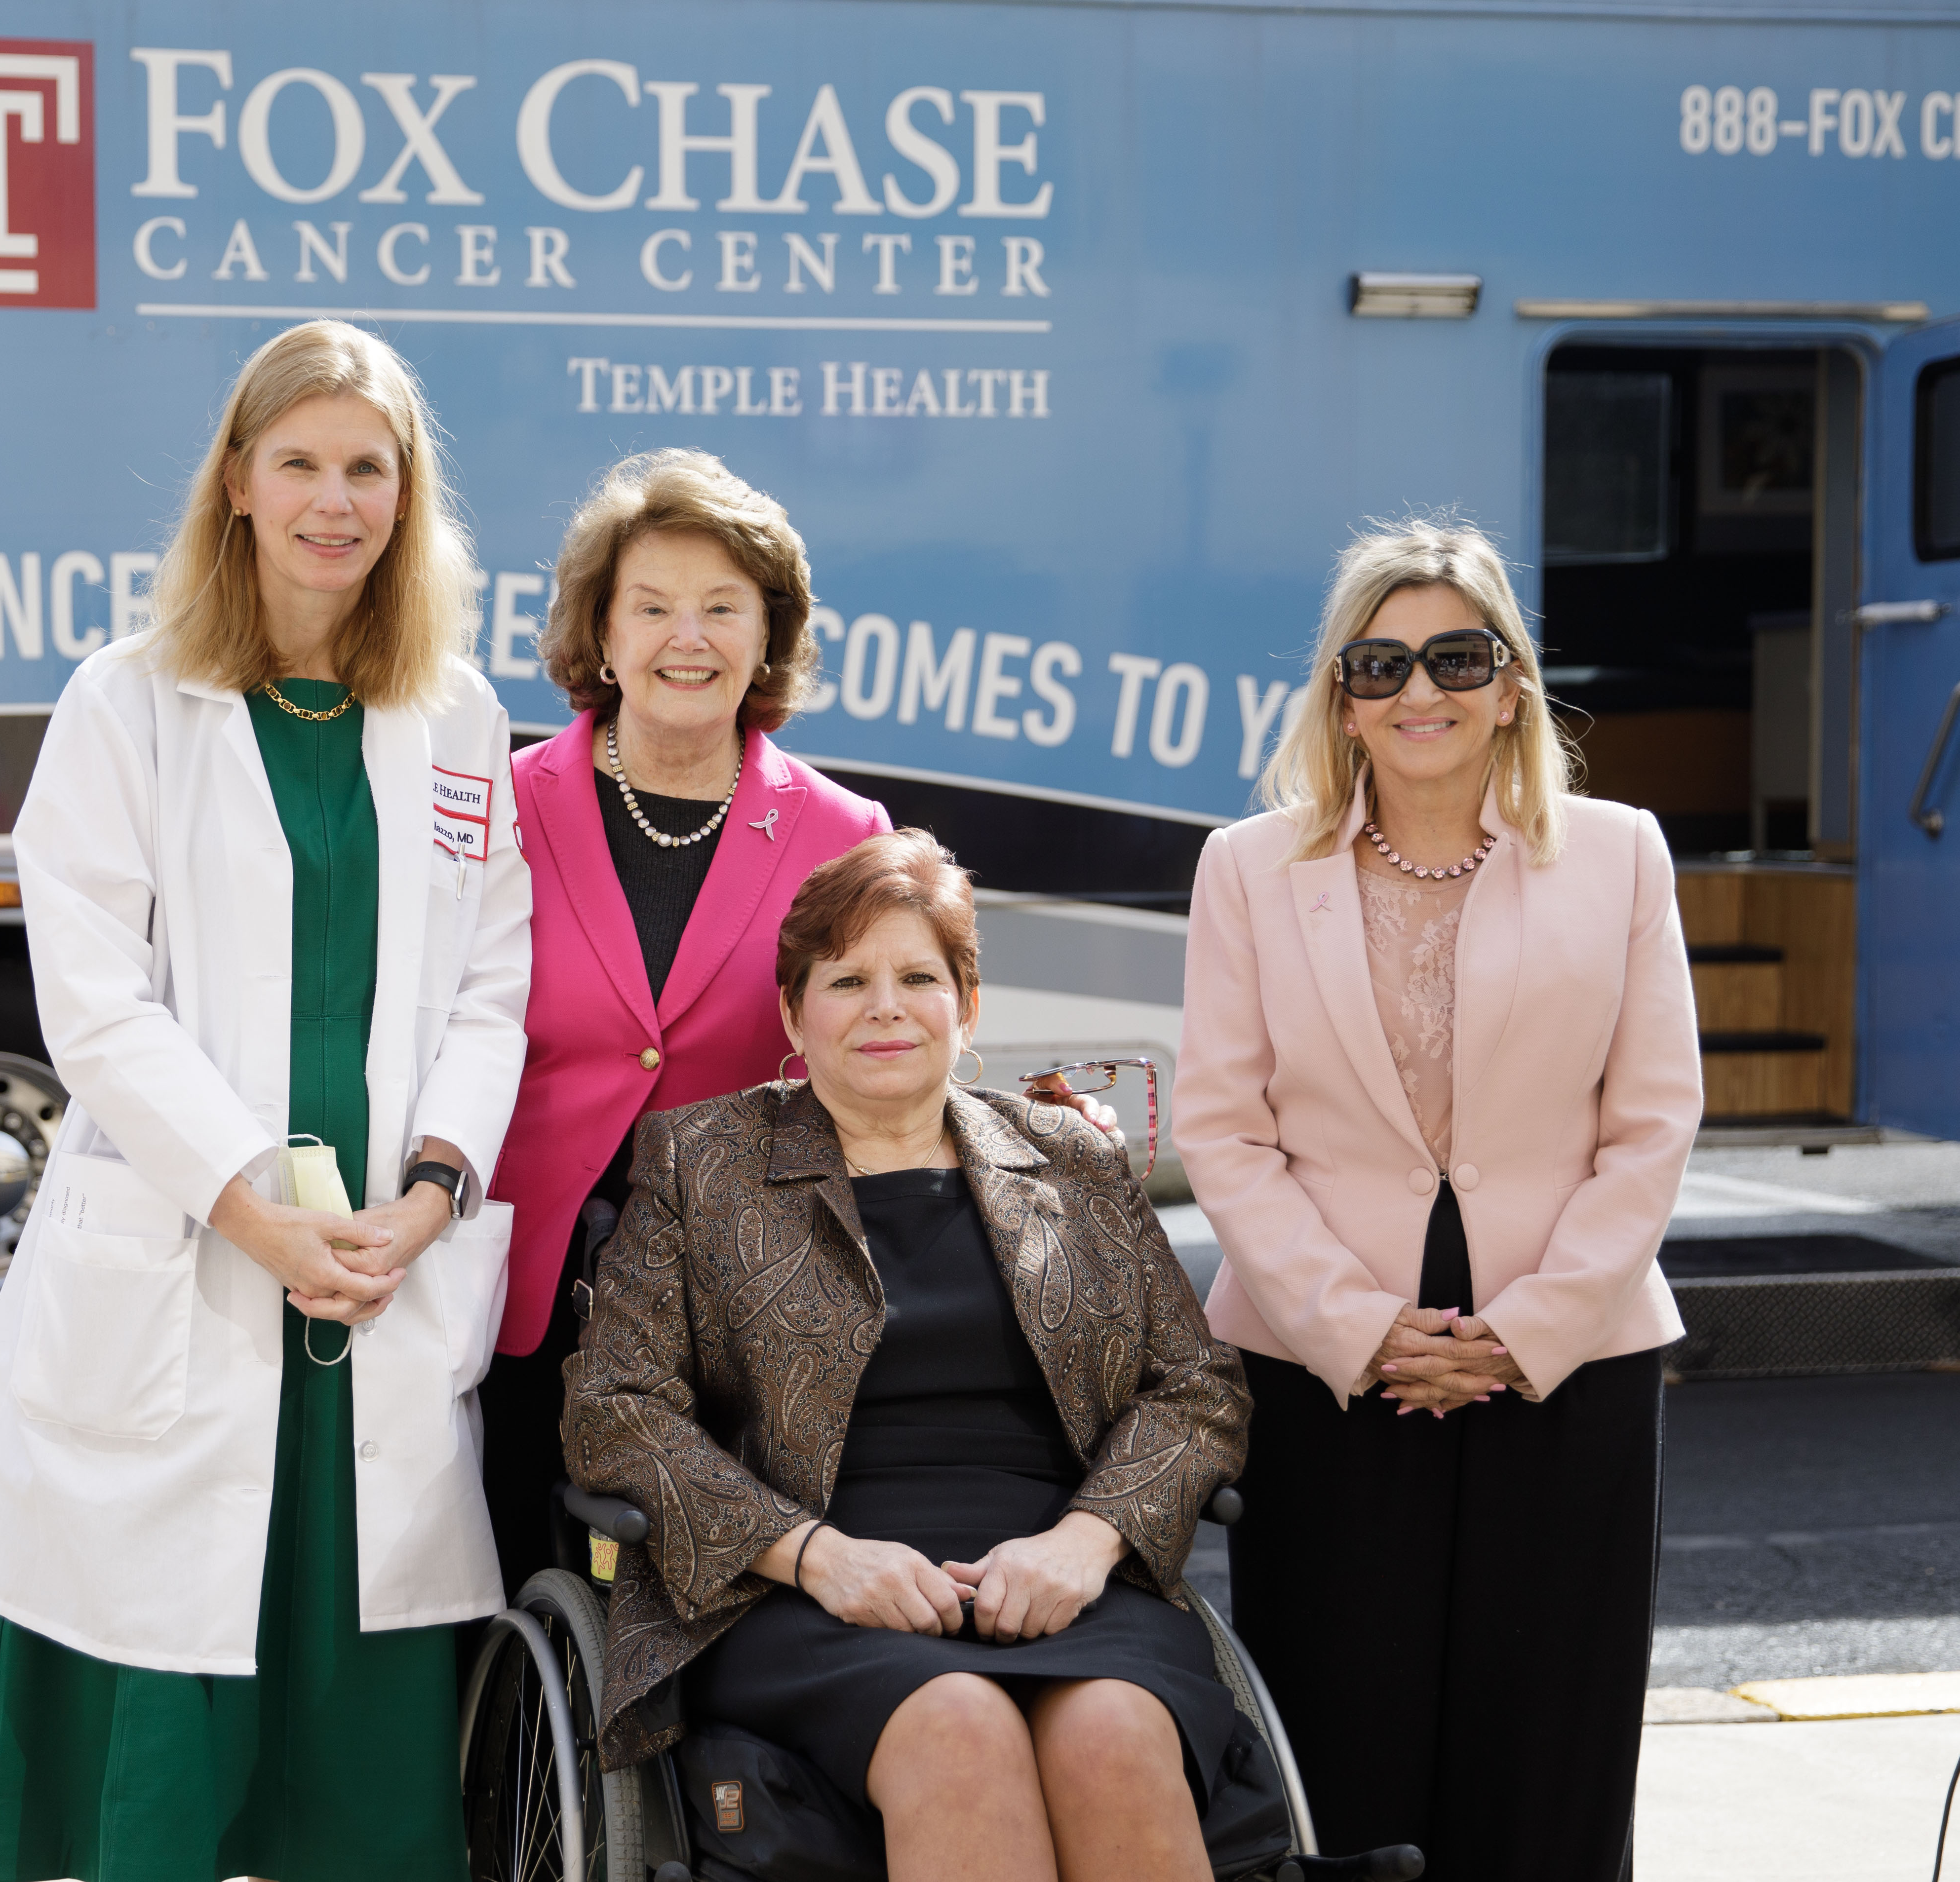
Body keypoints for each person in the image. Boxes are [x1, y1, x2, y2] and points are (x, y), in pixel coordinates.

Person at [0, 321, 532, 1882]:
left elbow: (491, 987)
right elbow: (94, 1000)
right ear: (239, 483)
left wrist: (430, 1194)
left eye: (369, 469)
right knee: (169, 1645)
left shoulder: (458, 714)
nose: (336, 501)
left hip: (376, 1263)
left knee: (360, 1691)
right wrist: (253, 1209)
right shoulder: (126, 700)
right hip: (196, 1248)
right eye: (300, 463)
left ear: (408, 495)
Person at [566, 830, 1251, 1882]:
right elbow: (616, 1408)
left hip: (1059, 1574)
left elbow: (1198, 1388)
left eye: (918, 977)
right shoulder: (700, 1161)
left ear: (966, 1003)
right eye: (848, 980)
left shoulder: (1071, 1157)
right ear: (794, 1014)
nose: (886, 1007)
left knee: (1115, 1733)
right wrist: (818, 1555)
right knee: (958, 1726)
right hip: (802, 1587)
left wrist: (1086, 1542)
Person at [1173, 520, 1697, 1882]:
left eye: (1458, 657)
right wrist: (1355, 1327)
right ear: (1341, 698)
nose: (1421, 689)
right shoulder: (1246, 867)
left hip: (1570, 1361)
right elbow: (1225, 1129)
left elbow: (1652, 1121)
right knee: (1346, 1747)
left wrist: (1530, 1329)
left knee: (1552, 1756)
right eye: (1381, 663)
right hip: (1328, 1370)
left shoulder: (1622, 853)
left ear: (1511, 683)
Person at [479, 449, 1109, 1582]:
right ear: (601, 631)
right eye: (652, 606)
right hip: (519, 1280)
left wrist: (1037, 1142)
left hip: (740, 1301)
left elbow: (883, 1045)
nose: (688, 637)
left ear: (767, 633)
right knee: (506, 1572)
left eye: (723, 607)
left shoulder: (843, 831)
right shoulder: (503, 803)